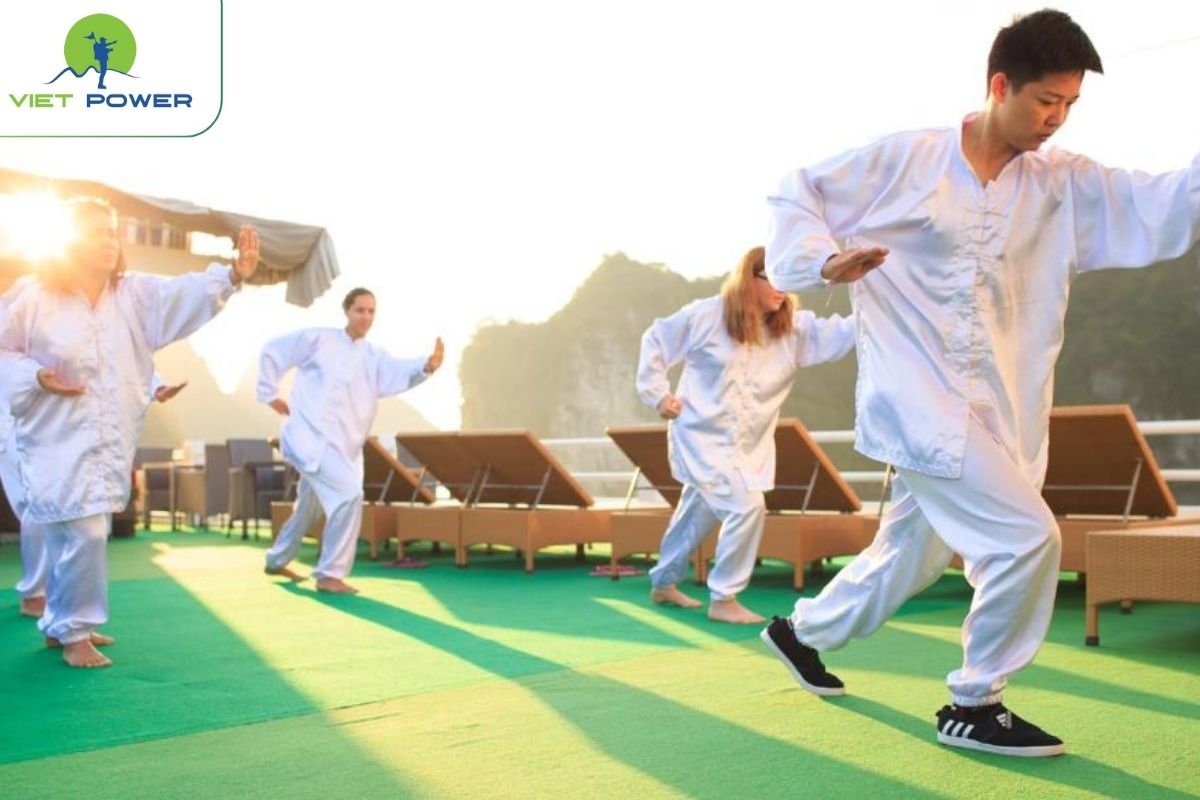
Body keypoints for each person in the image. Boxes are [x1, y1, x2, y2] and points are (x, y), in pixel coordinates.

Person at [759, 8, 1200, 757]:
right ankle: (974, 701)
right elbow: (796, 193)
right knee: (1030, 538)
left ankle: (798, 631)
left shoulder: (1063, 185)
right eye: (1044, 102)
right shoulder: (907, 160)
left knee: (912, 554)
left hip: (1004, 405)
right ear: (1000, 85)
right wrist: (819, 263)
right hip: (917, 400)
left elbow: (1164, 199)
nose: (1056, 120)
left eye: (1069, 106)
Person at [0, 197, 260, 668]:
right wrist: (36, 377)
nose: (107, 241)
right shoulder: (33, 299)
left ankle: (60, 624)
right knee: (85, 528)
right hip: (51, 433)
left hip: (105, 437)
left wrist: (232, 276)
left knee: (73, 527)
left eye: (112, 232)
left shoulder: (135, 296)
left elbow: (184, 293)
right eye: (95, 231)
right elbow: (3, 353)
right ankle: (77, 634)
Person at [636, 246, 854, 624]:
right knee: (746, 506)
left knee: (696, 514)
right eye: (769, 276)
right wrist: (658, 395)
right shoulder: (707, 316)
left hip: (748, 448)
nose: (779, 286)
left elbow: (847, 332)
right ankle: (724, 598)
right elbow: (656, 339)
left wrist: (883, 296)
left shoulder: (795, 331)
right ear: (747, 278)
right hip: (700, 438)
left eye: (784, 277)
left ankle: (663, 582)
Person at [257, 287, 443, 594]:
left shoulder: (374, 357)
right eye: (360, 310)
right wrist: (269, 394)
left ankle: (276, 560)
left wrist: (426, 365)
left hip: (344, 449)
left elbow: (399, 370)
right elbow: (273, 350)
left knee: (309, 508)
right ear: (347, 311)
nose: (366, 317)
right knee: (349, 494)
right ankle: (330, 574)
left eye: (371, 311)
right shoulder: (319, 340)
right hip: (306, 438)